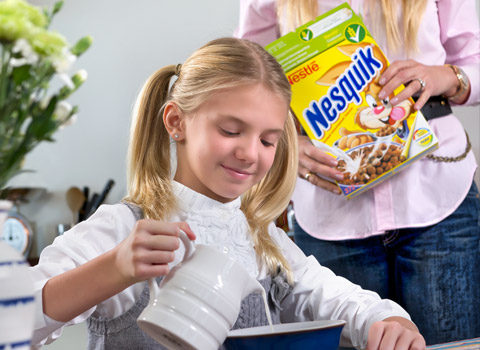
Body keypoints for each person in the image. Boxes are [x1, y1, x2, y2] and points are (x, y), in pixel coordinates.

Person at [30, 37, 426, 350]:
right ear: (175, 122)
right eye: (231, 131)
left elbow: (337, 299)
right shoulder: (123, 229)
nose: (249, 153)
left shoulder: (264, 241)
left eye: (268, 141)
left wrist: (388, 321)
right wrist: (114, 269)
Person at [234, 0, 480, 345]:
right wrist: (286, 147)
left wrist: (446, 76)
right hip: (330, 215)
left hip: (439, 201)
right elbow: (245, 84)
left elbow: (474, 60)